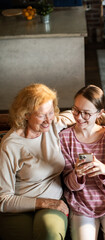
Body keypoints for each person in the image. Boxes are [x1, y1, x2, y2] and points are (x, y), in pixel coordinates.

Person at [0, 83, 76, 240]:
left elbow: (85, 112)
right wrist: (44, 203)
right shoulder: (11, 145)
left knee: (49, 234)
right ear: (26, 114)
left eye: (50, 112)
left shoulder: (54, 125)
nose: (48, 120)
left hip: (54, 202)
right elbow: (4, 199)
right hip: (19, 207)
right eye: (41, 115)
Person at [59, 85, 105, 240]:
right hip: (81, 204)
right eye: (76, 110)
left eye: (86, 113)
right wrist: (77, 175)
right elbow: (69, 184)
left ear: (100, 113)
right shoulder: (64, 138)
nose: (79, 117)